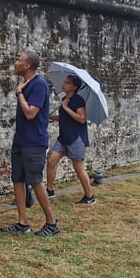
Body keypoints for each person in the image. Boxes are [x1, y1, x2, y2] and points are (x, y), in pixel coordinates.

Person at [0, 50, 59, 237]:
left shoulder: (39, 85)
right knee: (17, 179)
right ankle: (22, 222)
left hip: (34, 142)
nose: (15, 62)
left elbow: (31, 113)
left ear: (27, 65)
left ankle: (51, 223)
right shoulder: (27, 84)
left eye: (19, 60)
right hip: (21, 139)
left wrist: (19, 94)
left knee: (34, 181)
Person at [46, 74, 95, 204]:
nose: (64, 84)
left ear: (74, 87)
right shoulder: (64, 99)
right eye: (64, 82)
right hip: (63, 138)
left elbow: (81, 118)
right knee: (51, 161)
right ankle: (49, 191)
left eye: (67, 83)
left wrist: (66, 108)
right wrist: (50, 117)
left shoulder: (78, 100)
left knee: (78, 168)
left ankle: (89, 196)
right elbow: (64, 117)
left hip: (76, 138)